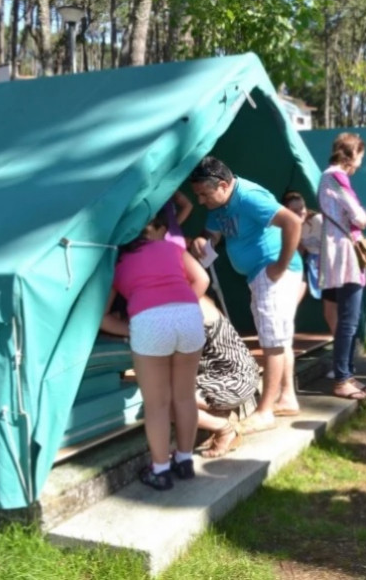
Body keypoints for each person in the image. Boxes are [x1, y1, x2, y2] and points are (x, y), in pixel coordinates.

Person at [189, 156, 303, 435]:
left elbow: (292, 222)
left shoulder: (249, 197)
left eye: (205, 194)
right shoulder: (219, 204)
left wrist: (279, 266)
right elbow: (212, 233)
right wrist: (205, 240)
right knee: (279, 336)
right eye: (198, 195)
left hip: (271, 271)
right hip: (259, 274)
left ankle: (264, 412)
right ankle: (287, 397)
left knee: (272, 341)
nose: (202, 201)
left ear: (224, 185)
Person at [100, 211, 210, 491]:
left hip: (149, 322)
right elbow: (202, 280)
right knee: (184, 397)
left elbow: (102, 317)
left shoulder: (117, 262)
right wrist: (180, 305)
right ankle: (185, 461)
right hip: (188, 316)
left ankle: (160, 470)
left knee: (157, 404)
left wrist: (131, 329)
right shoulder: (172, 247)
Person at [318, 133, 366, 400]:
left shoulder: (325, 177)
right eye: (359, 158)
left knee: (346, 320)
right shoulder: (337, 177)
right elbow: (360, 218)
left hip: (336, 253)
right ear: (350, 155)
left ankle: (348, 375)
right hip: (346, 255)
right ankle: (342, 378)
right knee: (349, 321)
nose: (360, 164)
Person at [194, 295, 260, 458]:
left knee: (165, 402)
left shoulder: (190, 309)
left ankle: (225, 429)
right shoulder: (199, 300)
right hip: (242, 378)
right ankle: (225, 416)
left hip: (233, 382)